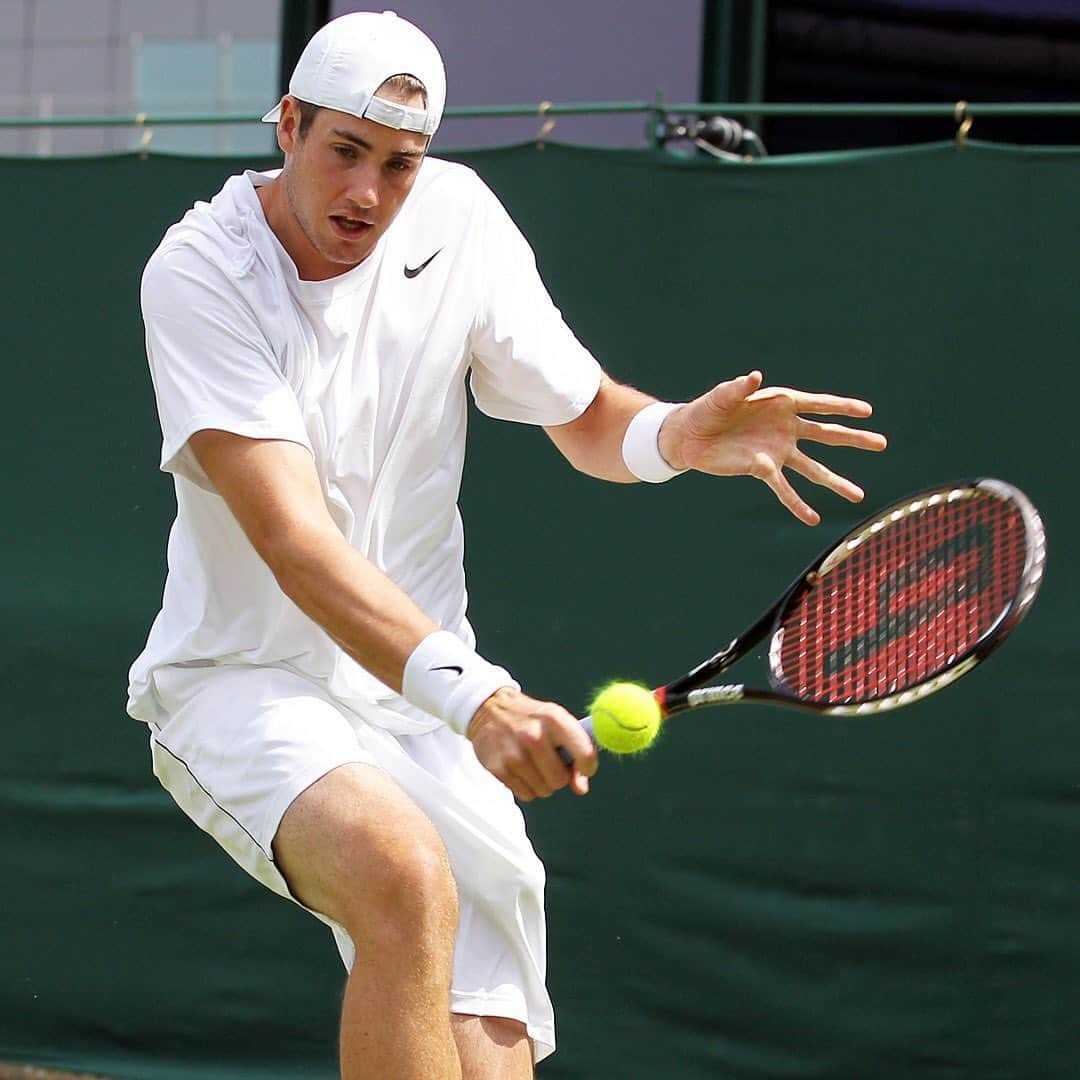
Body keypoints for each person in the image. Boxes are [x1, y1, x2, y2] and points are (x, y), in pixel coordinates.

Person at [127, 10, 887, 1080]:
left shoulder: (459, 222)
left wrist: (671, 434)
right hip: (245, 684)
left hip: (420, 703)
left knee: (490, 1032)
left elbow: (583, 415)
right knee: (401, 874)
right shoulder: (202, 274)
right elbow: (296, 543)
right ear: (287, 124)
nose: (367, 194)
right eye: (344, 150)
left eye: (398, 164)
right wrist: (478, 699)